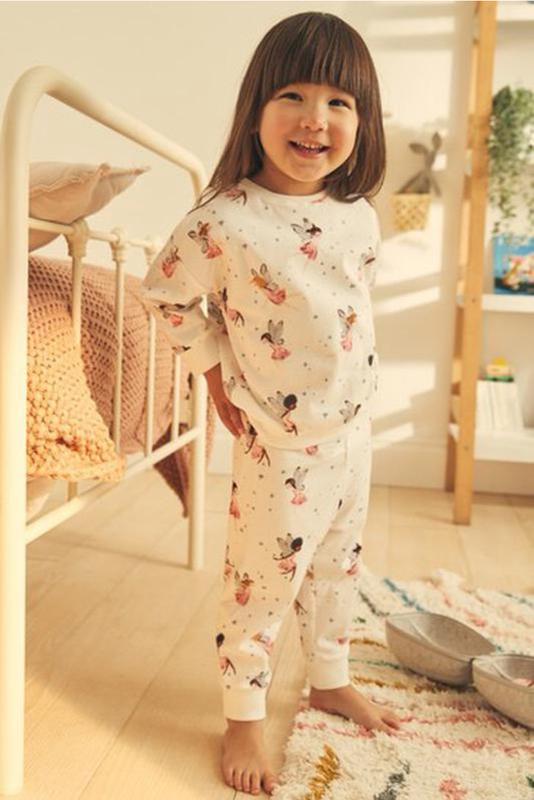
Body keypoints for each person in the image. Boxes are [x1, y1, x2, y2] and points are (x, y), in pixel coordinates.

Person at [140, 10, 402, 796]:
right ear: (256, 109)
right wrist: (214, 370)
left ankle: (329, 677)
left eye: (338, 102)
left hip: (354, 433)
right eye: (292, 95)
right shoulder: (224, 220)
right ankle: (244, 713)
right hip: (278, 445)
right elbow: (165, 295)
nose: (315, 119)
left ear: (363, 122)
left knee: (338, 567)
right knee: (261, 584)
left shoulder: (359, 218)